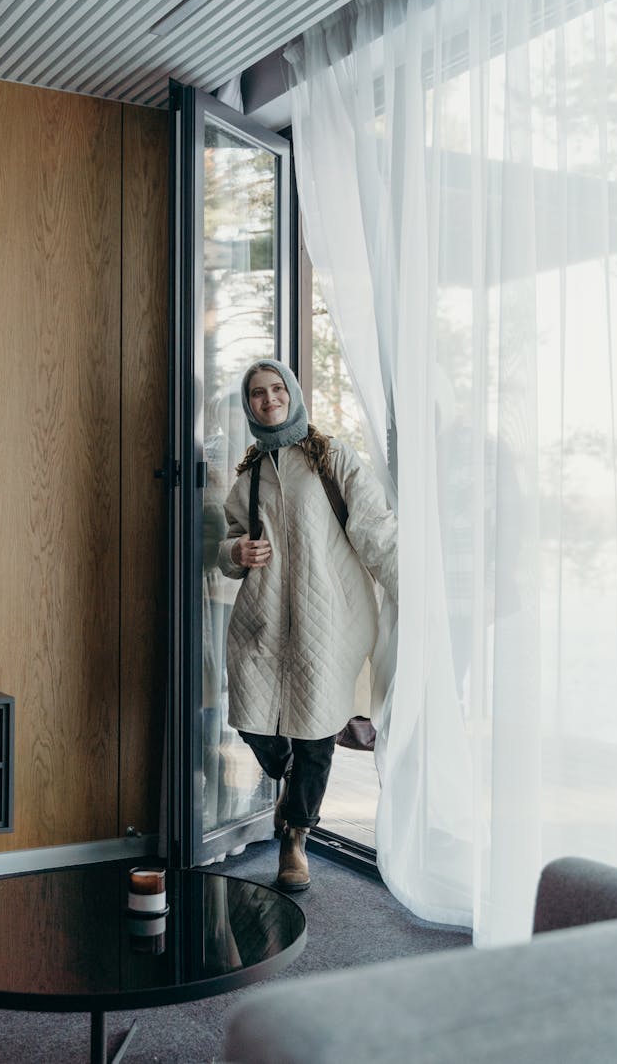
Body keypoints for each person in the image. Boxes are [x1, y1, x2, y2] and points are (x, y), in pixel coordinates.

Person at [218, 359, 398, 891]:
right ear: (249, 405)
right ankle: (287, 779)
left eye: (277, 389)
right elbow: (229, 541)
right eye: (257, 393)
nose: (269, 399)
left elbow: (374, 528)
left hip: (333, 617)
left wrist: (414, 591)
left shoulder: (331, 456)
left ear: (293, 394)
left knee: (316, 733)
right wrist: (237, 550)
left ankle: (295, 838)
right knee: (252, 721)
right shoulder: (248, 473)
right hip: (264, 619)